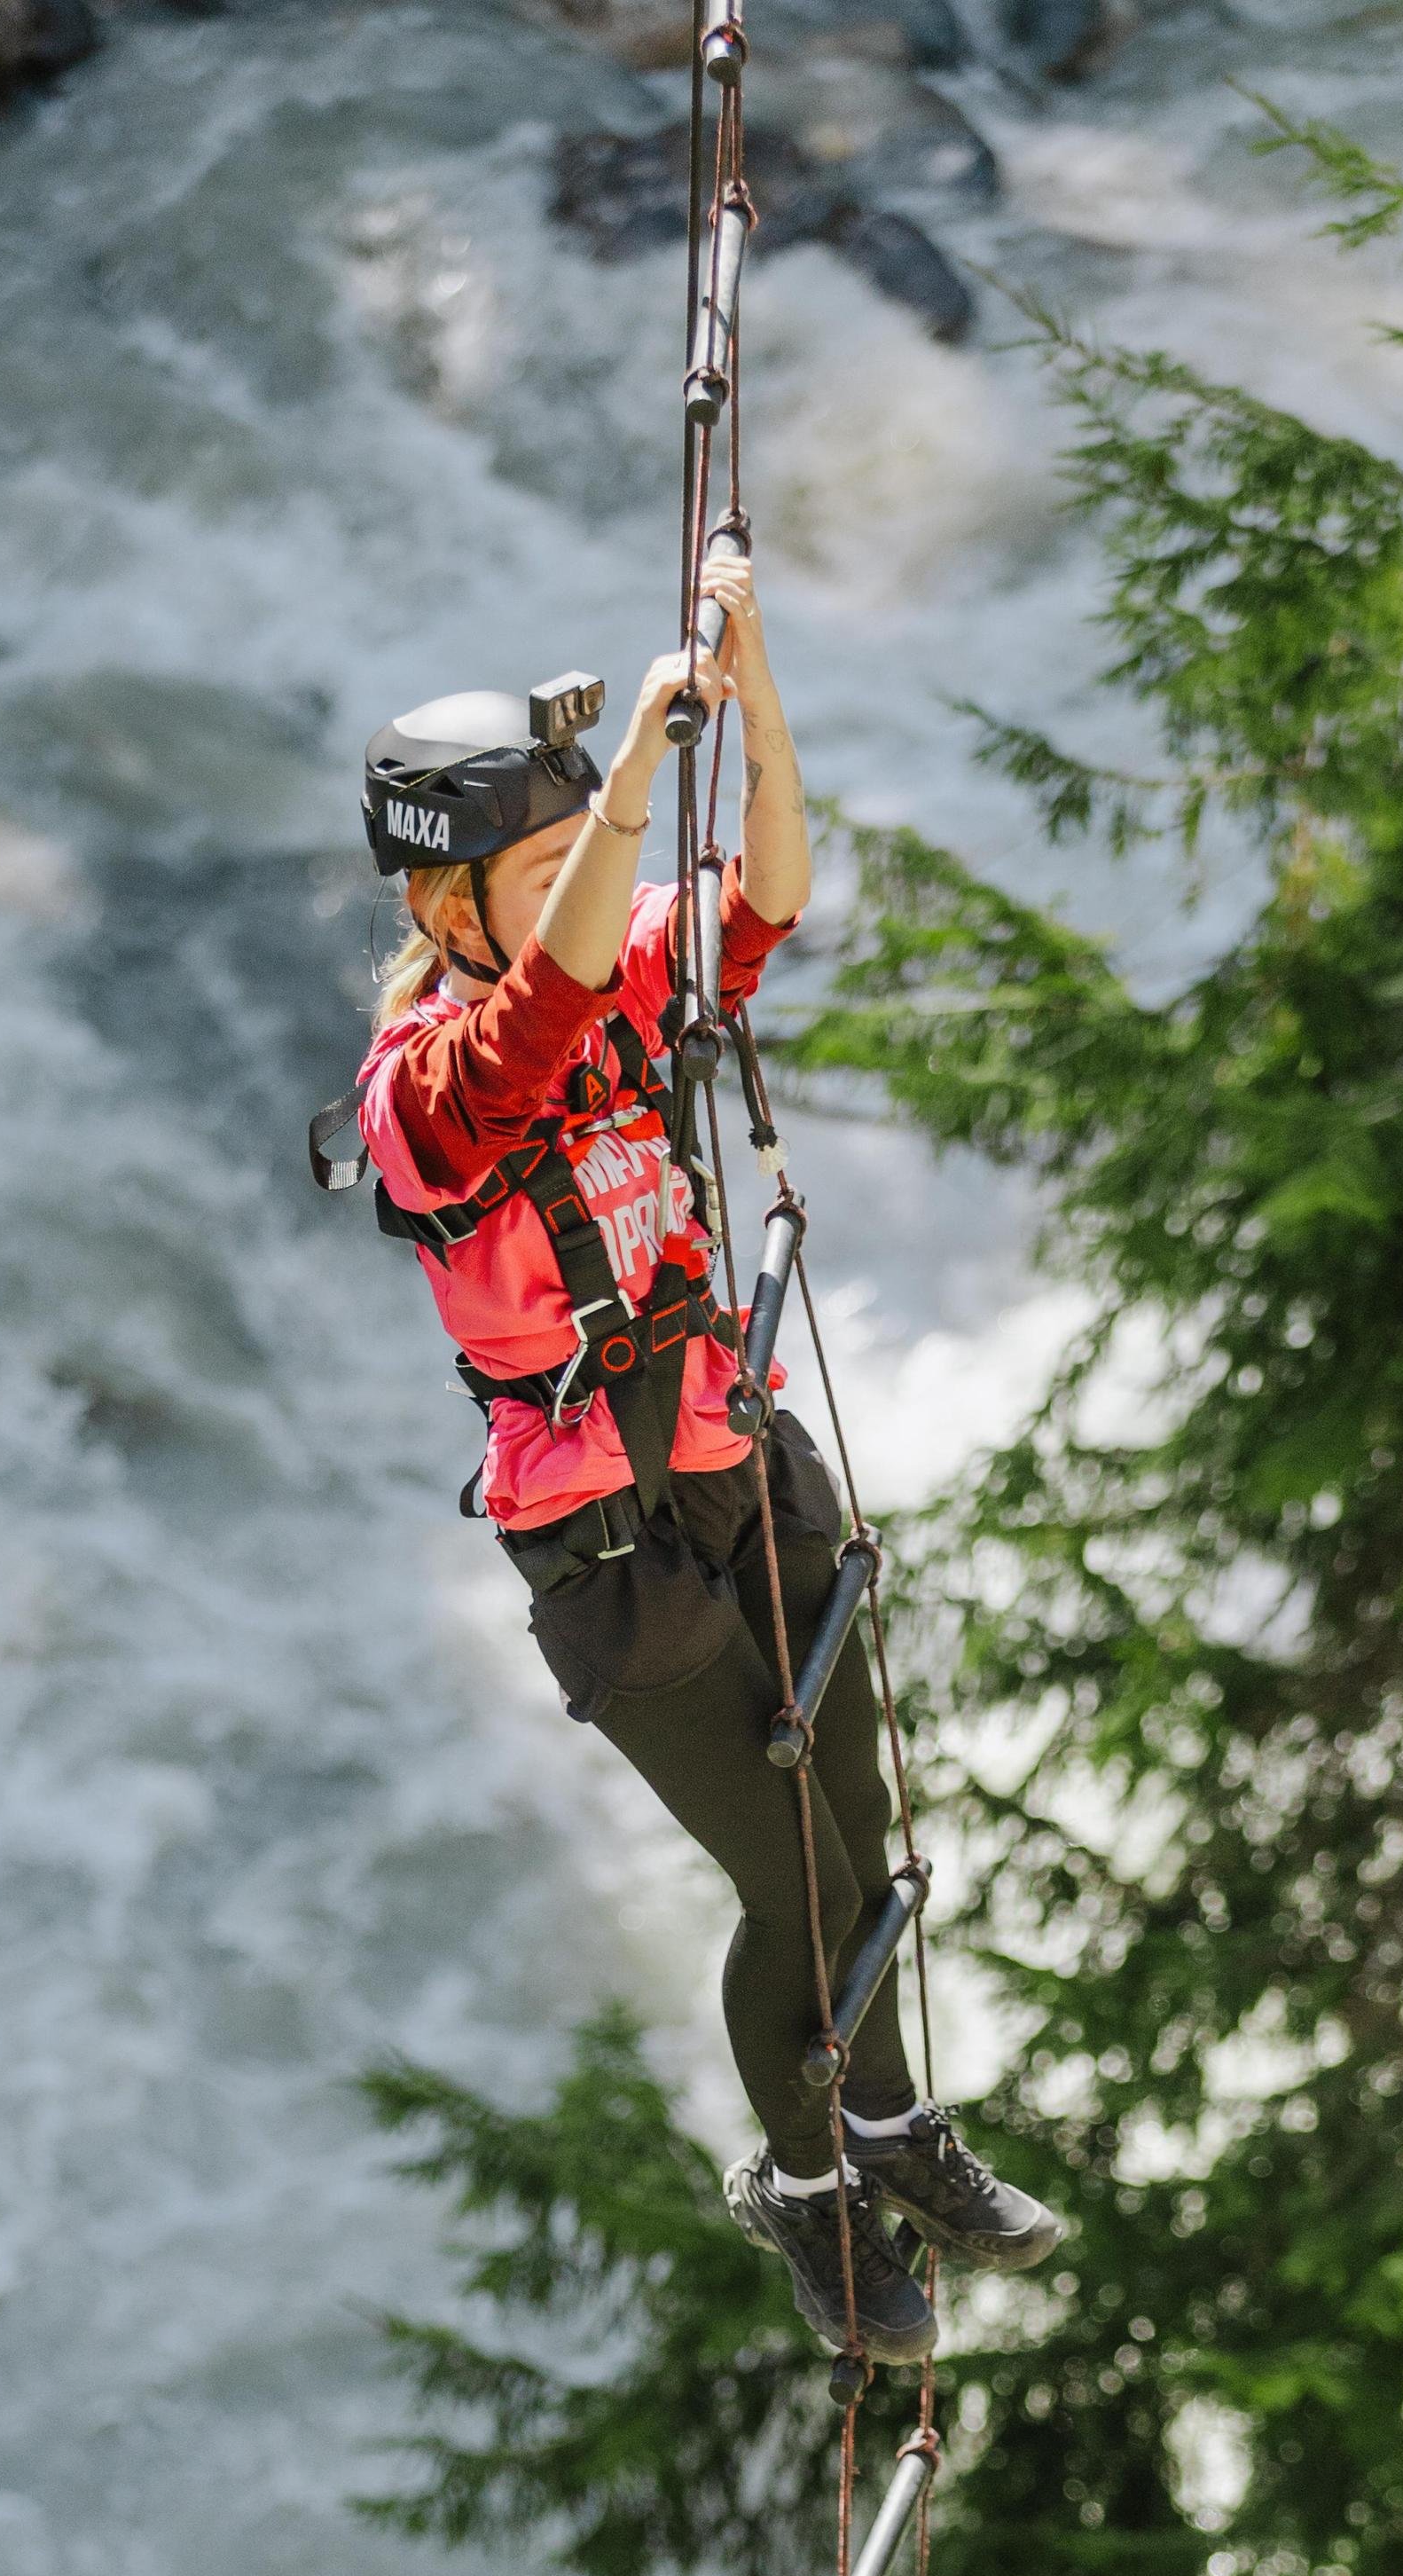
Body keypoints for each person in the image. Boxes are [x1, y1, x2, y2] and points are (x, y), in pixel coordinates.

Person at [351, 549, 1061, 2359]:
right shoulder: (426, 1093)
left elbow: (767, 896)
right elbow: (537, 1025)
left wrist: (748, 698)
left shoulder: (601, 974)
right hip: (603, 1542)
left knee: (862, 1833)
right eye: (526, 870)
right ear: (446, 911)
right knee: (797, 1881)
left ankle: (890, 2128)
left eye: (564, 857)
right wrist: (639, 771)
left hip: (729, 1457)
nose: (570, 890)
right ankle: (807, 2196)